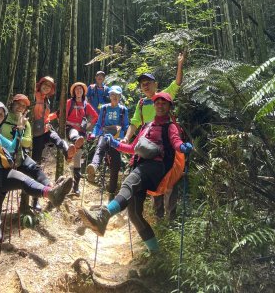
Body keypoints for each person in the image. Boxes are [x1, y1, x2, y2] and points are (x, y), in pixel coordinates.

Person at [79, 91, 192, 253]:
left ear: (169, 107)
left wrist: (182, 147)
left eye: (164, 103)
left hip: (156, 168)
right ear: (153, 106)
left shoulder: (170, 126)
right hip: (141, 165)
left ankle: (103, 216)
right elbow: (133, 148)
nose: (160, 106)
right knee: (134, 214)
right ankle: (156, 253)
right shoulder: (146, 127)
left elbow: (175, 141)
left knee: (129, 183)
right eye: (157, 103)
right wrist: (115, 144)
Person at [0, 101, 72, 265]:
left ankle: (51, 193)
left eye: (1, 114)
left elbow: (12, 148)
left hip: (1, 172)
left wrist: (20, 129)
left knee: (24, 180)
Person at [122, 51, 185, 220]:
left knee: (172, 179)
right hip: (148, 148)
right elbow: (135, 123)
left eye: (148, 83)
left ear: (155, 84)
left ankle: (171, 218)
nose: (145, 86)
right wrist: (127, 138)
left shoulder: (164, 96)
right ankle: (158, 217)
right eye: (143, 84)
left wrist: (180, 64)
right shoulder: (141, 103)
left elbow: (177, 83)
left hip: (168, 144)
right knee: (155, 180)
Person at [0, 94, 53, 233]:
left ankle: (52, 189)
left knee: (35, 168)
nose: (20, 107)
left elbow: (27, 142)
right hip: (2, 159)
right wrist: (18, 130)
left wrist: (21, 126)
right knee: (0, 195)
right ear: (12, 104)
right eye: (18, 104)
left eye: (24, 106)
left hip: (19, 156)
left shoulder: (27, 123)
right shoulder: (3, 118)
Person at [86, 85, 129, 200]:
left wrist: (124, 137)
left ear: (120, 96)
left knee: (115, 165)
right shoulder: (104, 108)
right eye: (112, 95)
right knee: (100, 147)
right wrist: (94, 133)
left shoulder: (123, 110)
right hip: (105, 134)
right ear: (109, 96)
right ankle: (93, 167)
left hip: (117, 139)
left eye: (116, 95)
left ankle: (111, 191)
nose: (114, 97)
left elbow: (126, 126)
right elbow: (99, 124)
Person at [32, 76, 75, 165]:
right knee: (36, 158)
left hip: (45, 129)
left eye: (49, 86)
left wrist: (56, 114)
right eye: (45, 84)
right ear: (40, 85)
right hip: (35, 132)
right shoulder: (33, 95)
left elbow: (45, 117)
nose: (47, 87)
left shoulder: (47, 100)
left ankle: (67, 152)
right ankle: (34, 175)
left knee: (57, 138)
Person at [66, 82, 98, 195]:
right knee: (74, 134)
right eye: (77, 89)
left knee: (77, 159)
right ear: (74, 92)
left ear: (83, 92)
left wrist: (88, 125)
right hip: (71, 129)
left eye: (80, 89)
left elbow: (95, 116)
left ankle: (76, 187)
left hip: (82, 132)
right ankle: (75, 142)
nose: (79, 91)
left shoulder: (85, 104)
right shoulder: (69, 102)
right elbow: (62, 115)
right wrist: (67, 122)